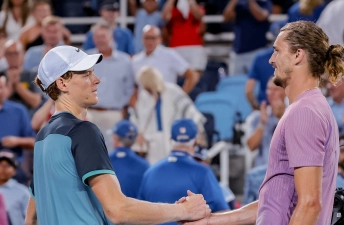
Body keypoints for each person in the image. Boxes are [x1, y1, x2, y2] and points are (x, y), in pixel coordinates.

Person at [182, 20, 344, 225]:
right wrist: (209, 220)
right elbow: (272, 204)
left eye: (277, 51)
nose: (271, 59)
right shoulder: (307, 108)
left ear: (298, 55)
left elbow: (309, 204)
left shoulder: (304, 112)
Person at [26, 45, 210, 225]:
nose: (96, 80)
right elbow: (118, 210)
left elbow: (31, 219)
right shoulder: (83, 131)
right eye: (86, 74)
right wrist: (184, 211)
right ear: (62, 83)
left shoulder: (42, 137)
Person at [138, 119, 229, 224]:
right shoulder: (203, 172)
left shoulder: (150, 172)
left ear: (171, 139)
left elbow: (139, 215)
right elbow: (223, 213)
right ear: (195, 141)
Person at [131, 66, 205, 165]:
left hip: (174, 139)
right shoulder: (144, 96)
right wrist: (138, 134)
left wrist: (198, 131)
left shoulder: (173, 91)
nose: (145, 89)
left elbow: (191, 113)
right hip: (152, 143)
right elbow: (137, 118)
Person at [86, 22, 135, 151]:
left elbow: (131, 88)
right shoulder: (86, 59)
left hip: (114, 114)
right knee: (88, 152)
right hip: (89, 113)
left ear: (111, 38)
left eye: (104, 36)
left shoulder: (125, 61)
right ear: (93, 39)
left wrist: (124, 111)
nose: (101, 40)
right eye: (98, 37)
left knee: (113, 153)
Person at [132, 25, 198, 94]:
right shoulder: (136, 60)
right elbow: (135, 86)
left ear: (160, 39)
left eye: (153, 38)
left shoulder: (169, 55)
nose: (149, 41)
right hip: (145, 102)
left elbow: (192, 75)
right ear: (142, 39)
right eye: (147, 38)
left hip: (166, 101)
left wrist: (180, 96)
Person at [245, 77, 286, 167]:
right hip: (263, 170)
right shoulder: (257, 117)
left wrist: (281, 118)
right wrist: (262, 124)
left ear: (284, 92)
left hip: (285, 169)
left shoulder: (293, 114)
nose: (271, 93)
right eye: (269, 89)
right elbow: (251, 147)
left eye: (275, 89)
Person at [223, 0, 271, 75]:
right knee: (235, 83)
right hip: (238, 52)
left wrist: (250, 2)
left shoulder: (263, 2)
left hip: (256, 51)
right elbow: (226, 17)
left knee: (256, 83)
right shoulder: (239, 4)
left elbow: (261, 17)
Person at [162, 0, 207, 74]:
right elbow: (164, 16)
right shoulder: (173, 10)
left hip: (195, 46)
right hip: (176, 46)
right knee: (177, 76)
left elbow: (198, 16)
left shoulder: (199, 7)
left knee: (195, 75)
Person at [0, 76, 35, 167]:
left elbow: (33, 141)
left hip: (14, 166)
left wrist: (17, 141)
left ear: (7, 88)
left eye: (0, 87)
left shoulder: (18, 111)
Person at [109, 120, 150, 198]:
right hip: (136, 209)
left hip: (105, 209)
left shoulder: (102, 161)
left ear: (116, 138)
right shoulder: (145, 166)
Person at [1, 40, 43, 115]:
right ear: (5, 55)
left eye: (16, 53)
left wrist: (17, 85)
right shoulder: (1, 75)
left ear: (23, 54)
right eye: (9, 54)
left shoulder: (33, 75)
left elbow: (36, 102)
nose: (13, 57)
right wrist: (11, 86)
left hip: (28, 119)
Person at [0, 149, 30, 225]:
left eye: (7, 165)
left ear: (14, 171)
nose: (3, 168)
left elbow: (31, 218)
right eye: (0, 165)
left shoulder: (22, 192)